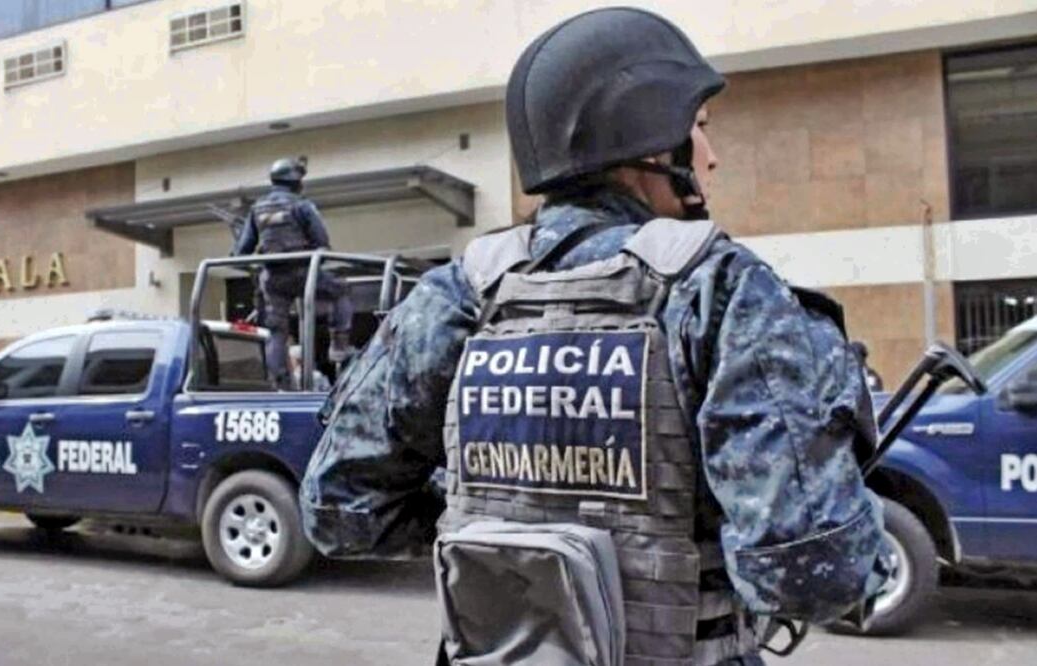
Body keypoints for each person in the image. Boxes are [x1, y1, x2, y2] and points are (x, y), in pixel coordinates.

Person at [302, 8, 887, 664]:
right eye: (699, 129)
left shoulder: (458, 292)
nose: (712, 158)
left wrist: (500, 530)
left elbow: (340, 510)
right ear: (646, 133)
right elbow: (812, 574)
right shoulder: (717, 288)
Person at [231, 157, 355, 389]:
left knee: (276, 332)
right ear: (296, 181)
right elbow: (322, 242)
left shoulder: (257, 209)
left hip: (272, 279)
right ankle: (339, 347)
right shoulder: (303, 206)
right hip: (302, 273)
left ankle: (280, 383)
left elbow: (240, 252)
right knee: (341, 290)